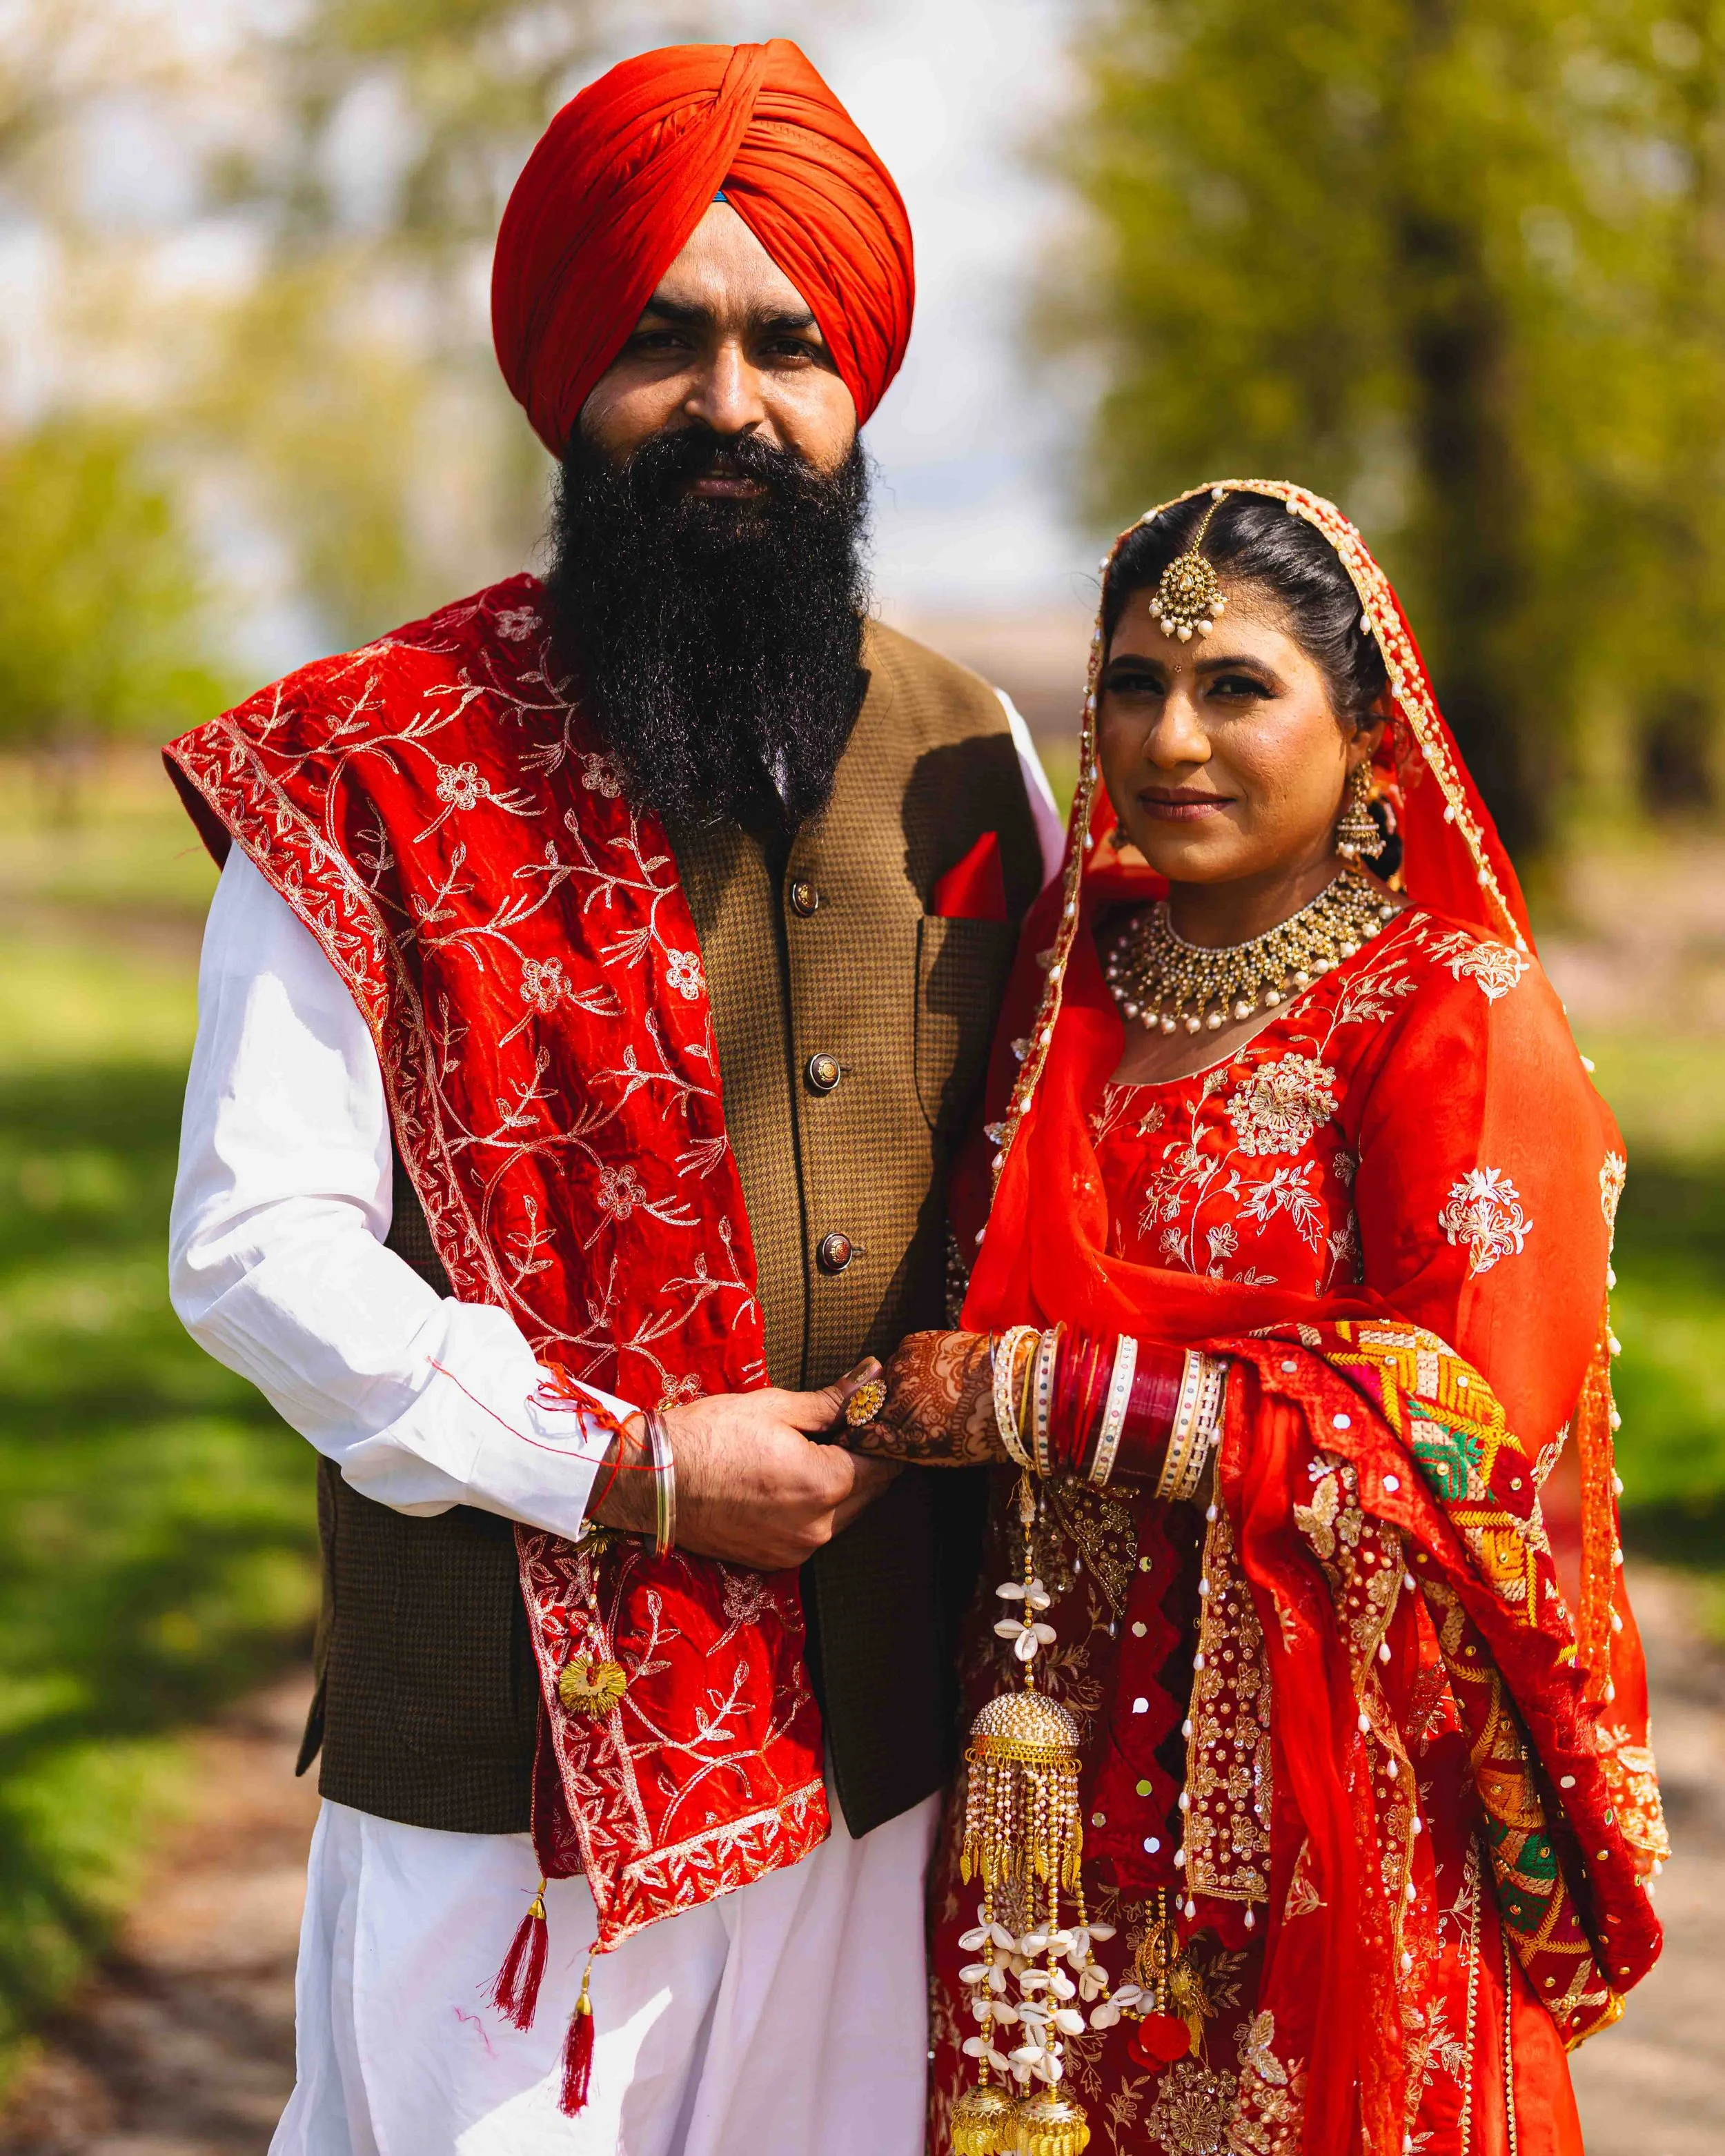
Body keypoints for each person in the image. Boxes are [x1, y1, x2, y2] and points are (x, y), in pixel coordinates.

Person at [164, 39, 1061, 2156]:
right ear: (567, 374)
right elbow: (253, 1247)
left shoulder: (974, 756)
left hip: (884, 1761)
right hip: (513, 1793)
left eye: (785, 344)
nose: (729, 402)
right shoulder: (369, 768)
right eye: (662, 339)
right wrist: (624, 1462)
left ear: (860, 394)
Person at [844, 482, 1668, 2156]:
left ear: (1367, 730)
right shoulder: (1067, 976)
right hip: (1040, 1783)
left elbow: (1454, 1453)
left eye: (1235, 686)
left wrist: (1041, 1397)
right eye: (1134, 684)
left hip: (1322, 1804)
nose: (1172, 737)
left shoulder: (1442, 1007)